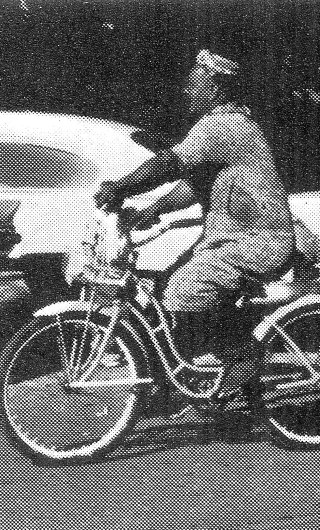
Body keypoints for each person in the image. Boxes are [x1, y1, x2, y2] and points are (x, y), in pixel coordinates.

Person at [93, 49, 295, 399]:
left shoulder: (223, 125)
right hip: (233, 240)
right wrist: (152, 209)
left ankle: (241, 355)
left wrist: (120, 186)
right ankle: (169, 379)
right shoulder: (226, 124)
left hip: (256, 241)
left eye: (193, 83)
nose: (187, 91)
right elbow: (193, 183)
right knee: (161, 285)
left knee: (182, 291)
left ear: (214, 87)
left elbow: (171, 164)